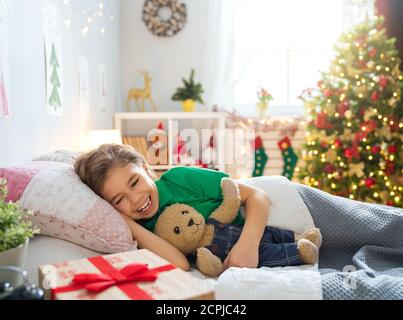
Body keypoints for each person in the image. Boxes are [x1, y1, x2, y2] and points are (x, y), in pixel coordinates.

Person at [74, 143, 275, 272]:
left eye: (135, 182)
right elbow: (181, 264)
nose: (136, 200)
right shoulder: (138, 229)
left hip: (266, 216)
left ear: (144, 168)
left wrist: (248, 244)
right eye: (119, 200)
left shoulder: (179, 178)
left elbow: (257, 195)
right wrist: (126, 222)